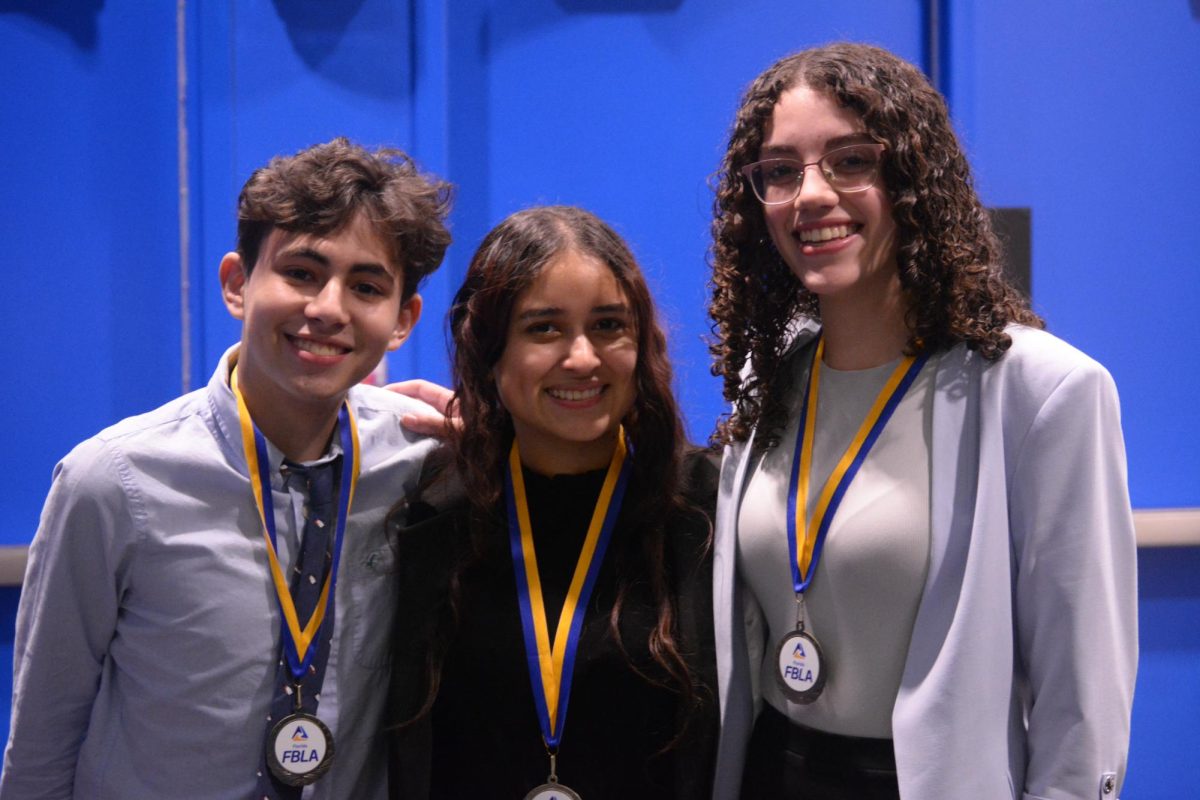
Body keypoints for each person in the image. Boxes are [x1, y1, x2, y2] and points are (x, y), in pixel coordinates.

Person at [706, 42, 1137, 799]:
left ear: (912, 179)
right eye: (781, 170)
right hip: (770, 772)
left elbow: (1084, 703)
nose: (810, 193)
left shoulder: (1043, 392)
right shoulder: (767, 376)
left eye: (850, 161)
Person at [0, 138, 452, 799]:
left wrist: (492, 427)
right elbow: (41, 750)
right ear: (238, 284)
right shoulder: (113, 483)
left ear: (402, 320)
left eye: (365, 286)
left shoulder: (421, 468)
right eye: (301, 272)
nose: (327, 308)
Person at [387, 206, 718, 799]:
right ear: (490, 351)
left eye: (609, 325)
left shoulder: (703, 507)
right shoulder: (429, 508)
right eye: (544, 328)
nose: (584, 359)